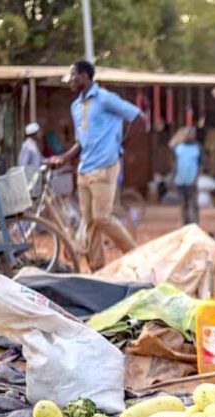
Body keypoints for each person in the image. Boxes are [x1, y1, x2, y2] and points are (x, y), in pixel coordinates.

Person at [47, 60, 141, 271]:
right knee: (89, 223)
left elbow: (136, 116)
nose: (70, 80)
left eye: (74, 75)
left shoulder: (106, 99)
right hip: (84, 169)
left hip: (105, 167)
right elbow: (81, 141)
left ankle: (135, 254)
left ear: (86, 76)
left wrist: (120, 146)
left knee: (101, 218)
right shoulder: (76, 107)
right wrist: (63, 157)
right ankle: (97, 268)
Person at [173, 126, 201, 225]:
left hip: (192, 180)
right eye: (188, 133)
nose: (189, 135)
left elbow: (200, 165)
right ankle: (186, 223)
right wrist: (174, 177)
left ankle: (196, 223)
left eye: (191, 133)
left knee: (194, 203)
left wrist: (196, 178)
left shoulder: (197, 147)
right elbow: (176, 163)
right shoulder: (178, 147)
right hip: (180, 180)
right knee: (183, 204)